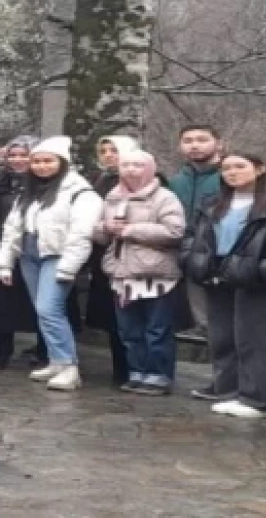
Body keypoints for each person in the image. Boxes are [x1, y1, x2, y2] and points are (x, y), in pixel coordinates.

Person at [180, 152, 266, 419]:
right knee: (221, 337)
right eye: (227, 168)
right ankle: (228, 390)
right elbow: (193, 235)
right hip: (216, 274)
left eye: (240, 166)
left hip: (252, 278)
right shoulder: (212, 203)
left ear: (259, 169)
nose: (232, 172)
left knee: (252, 339)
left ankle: (258, 399)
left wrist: (264, 271)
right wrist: (191, 260)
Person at [0, 136, 103, 391]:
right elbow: (13, 227)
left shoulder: (80, 192)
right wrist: (5, 262)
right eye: (37, 161)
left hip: (57, 254)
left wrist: (69, 266)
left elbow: (81, 233)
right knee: (42, 310)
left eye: (48, 161)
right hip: (29, 252)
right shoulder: (30, 191)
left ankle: (68, 366)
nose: (42, 166)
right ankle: (56, 360)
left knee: (49, 309)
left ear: (62, 162)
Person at [92, 150, 186, 396]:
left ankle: (159, 375)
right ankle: (136, 371)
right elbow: (99, 235)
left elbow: (174, 232)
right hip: (121, 273)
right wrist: (105, 228)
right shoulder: (112, 197)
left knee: (157, 328)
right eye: (126, 165)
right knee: (129, 330)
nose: (131, 170)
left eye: (138, 165)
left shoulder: (165, 197)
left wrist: (131, 230)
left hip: (156, 273)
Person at [0, 136, 39, 370]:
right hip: (4, 248)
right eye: (13, 155)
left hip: (35, 248)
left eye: (24, 155)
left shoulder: (45, 184)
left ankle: (44, 351)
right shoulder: (2, 184)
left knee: (41, 302)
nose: (18, 160)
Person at [87, 135, 142, 388]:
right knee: (112, 317)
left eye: (114, 150)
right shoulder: (98, 180)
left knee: (133, 315)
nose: (109, 155)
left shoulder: (146, 180)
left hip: (135, 256)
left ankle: (139, 369)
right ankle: (120, 369)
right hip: (104, 255)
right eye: (104, 150)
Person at [170, 125, 224, 334]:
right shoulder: (175, 182)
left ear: (219, 144)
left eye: (202, 140)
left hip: (221, 260)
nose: (194, 145)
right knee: (201, 321)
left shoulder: (229, 176)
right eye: (188, 141)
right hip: (185, 260)